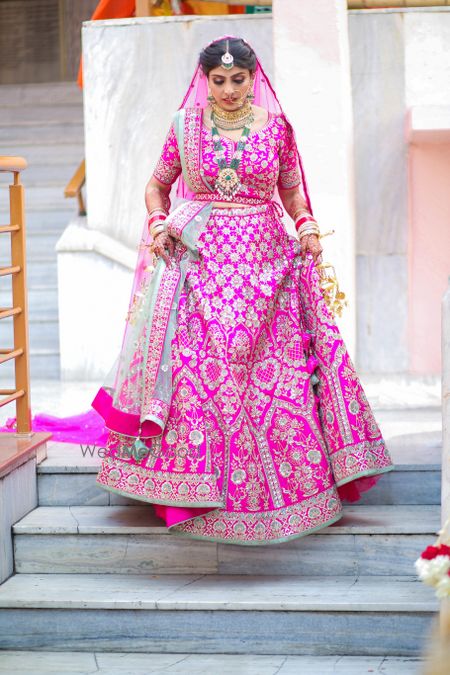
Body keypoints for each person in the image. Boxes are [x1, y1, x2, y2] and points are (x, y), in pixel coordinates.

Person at [90, 35, 394, 545]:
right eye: (219, 80)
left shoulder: (277, 129)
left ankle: (284, 495)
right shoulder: (184, 126)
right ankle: (190, 490)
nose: (229, 90)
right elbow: (156, 185)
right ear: (204, 79)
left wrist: (308, 229)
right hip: (199, 260)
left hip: (266, 262)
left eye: (238, 80)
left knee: (274, 378)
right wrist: (160, 220)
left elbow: (292, 191)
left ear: (254, 78)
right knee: (198, 372)